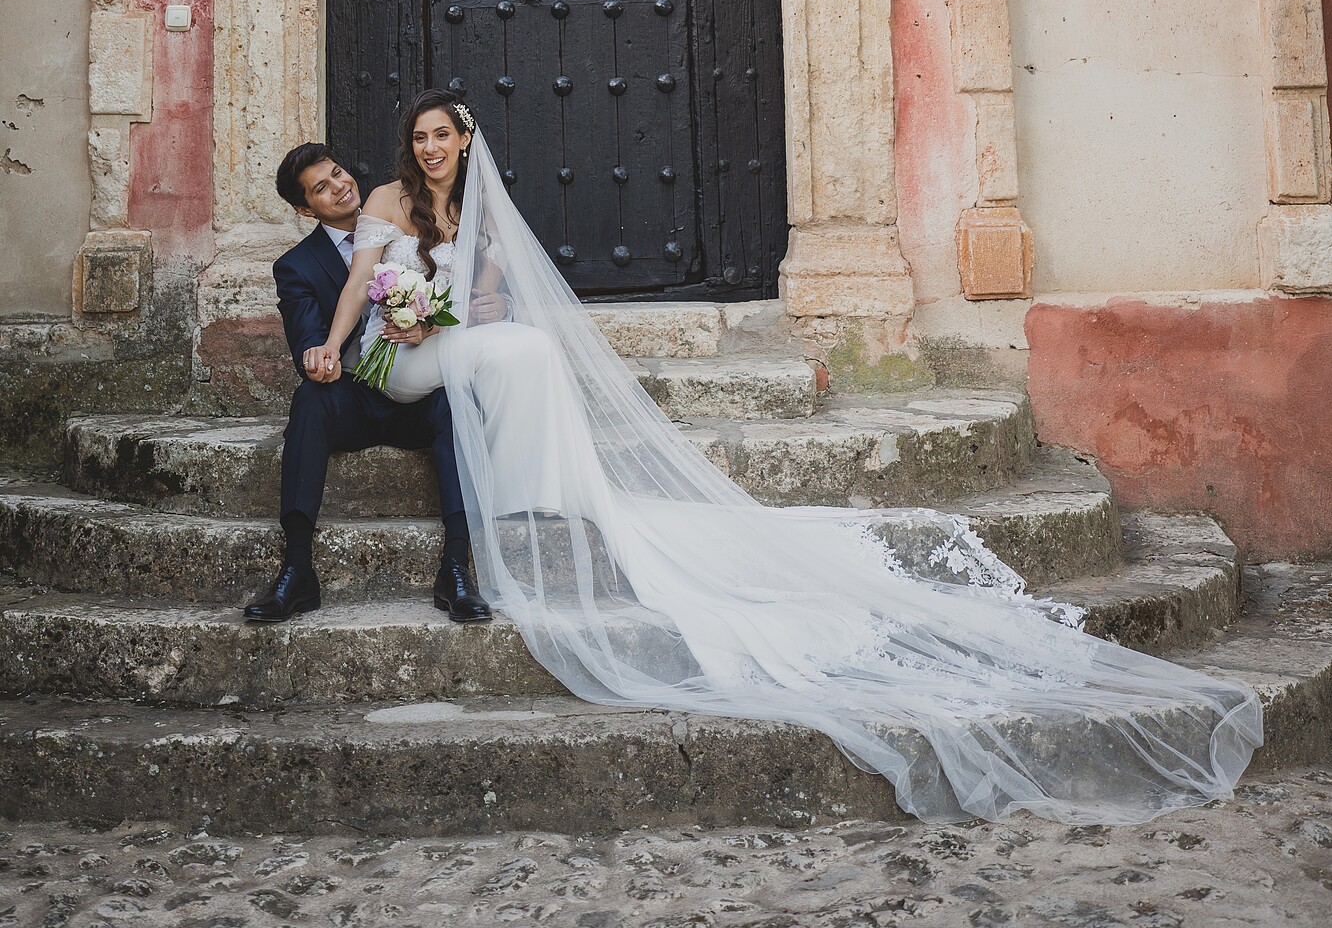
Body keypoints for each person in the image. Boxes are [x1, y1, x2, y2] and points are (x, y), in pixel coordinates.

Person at [301, 86, 1264, 828]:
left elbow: (500, 304)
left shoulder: (486, 209)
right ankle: (526, 488)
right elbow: (357, 283)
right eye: (419, 135)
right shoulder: (387, 198)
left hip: (454, 339)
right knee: (498, 350)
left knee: (525, 344)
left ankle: (539, 489)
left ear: (464, 141)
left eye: (441, 134)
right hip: (398, 357)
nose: (429, 148)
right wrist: (349, 338)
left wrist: (464, 306)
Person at [241, 141, 491, 625]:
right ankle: (296, 569)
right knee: (310, 399)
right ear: (302, 208)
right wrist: (318, 356)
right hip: (355, 394)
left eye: (338, 172)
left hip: (420, 390)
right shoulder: (296, 265)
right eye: (321, 187)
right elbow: (309, 339)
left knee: (458, 403)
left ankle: (457, 568)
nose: (339, 186)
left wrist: (468, 313)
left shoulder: (413, 217)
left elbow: (469, 291)